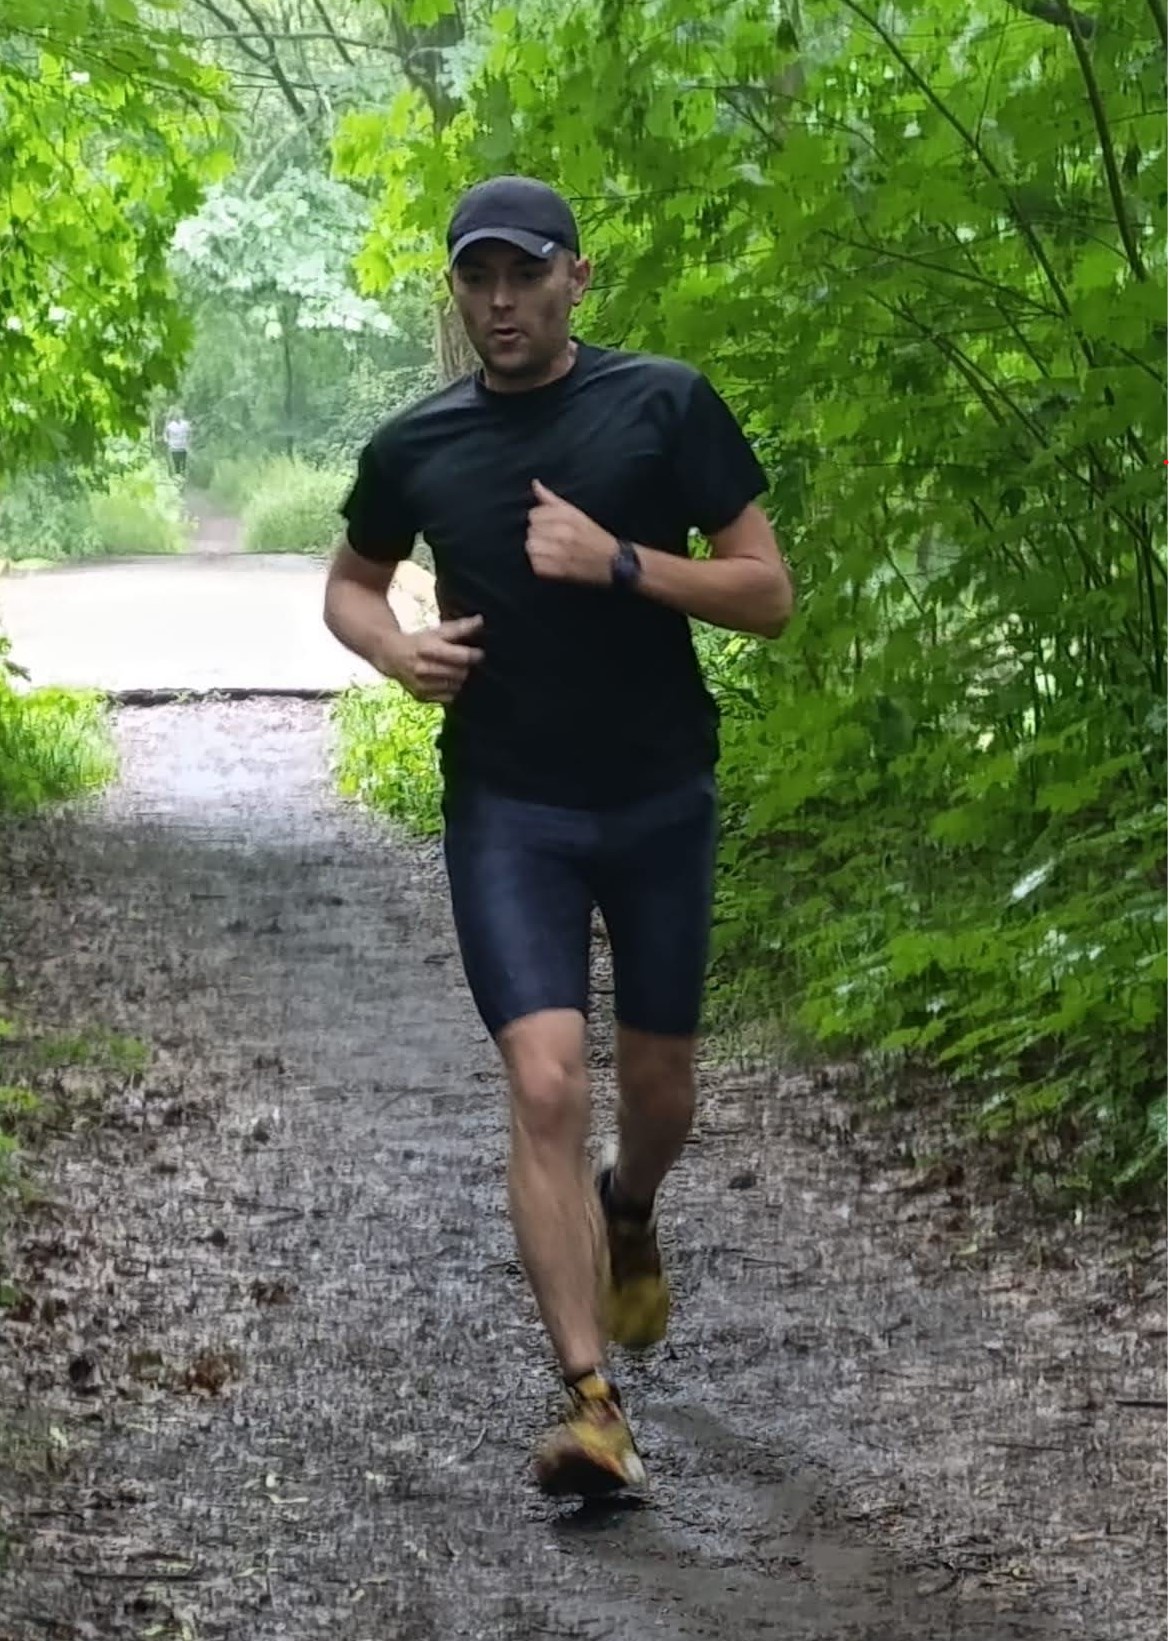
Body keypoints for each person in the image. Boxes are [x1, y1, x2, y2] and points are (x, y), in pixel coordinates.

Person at [324, 176, 794, 1499]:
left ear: (575, 279)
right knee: (542, 1084)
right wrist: (393, 650)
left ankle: (627, 1204)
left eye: (524, 275)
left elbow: (767, 593)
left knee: (659, 1096)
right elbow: (351, 586)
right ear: (456, 291)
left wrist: (622, 561)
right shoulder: (415, 445)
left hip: (656, 799)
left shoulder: (664, 404)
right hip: (507, 806)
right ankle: (592, 1406)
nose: (500, 301)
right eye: (476, 278)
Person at [163, 409, 191, 480]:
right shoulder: (170, 425)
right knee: (177, 463)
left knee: (183, 463)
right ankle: (178, 477)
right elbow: (166, 434)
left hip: (183, 447)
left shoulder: (185, 424)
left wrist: (188, 441)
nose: (177, 417)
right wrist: (167, 441)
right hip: (174, 448)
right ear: (174, 417)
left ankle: (183, 477)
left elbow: (189, 433)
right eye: (176, 416)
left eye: (179, 415)